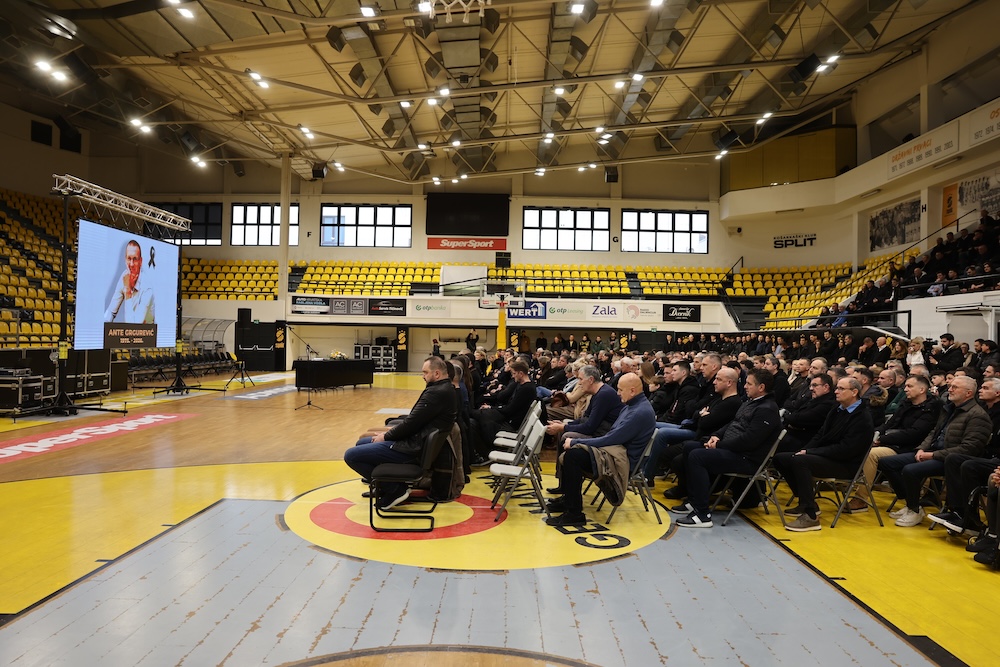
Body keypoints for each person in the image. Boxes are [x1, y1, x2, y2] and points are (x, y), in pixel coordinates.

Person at [670, 369, 782, 528]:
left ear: (761, 387)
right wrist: (716, 436)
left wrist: (719, 445)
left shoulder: (767, 409)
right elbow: (732, 424)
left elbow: (749, 441)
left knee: (697, 456)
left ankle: (702, 515)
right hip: (733, 450)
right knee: (690, 447)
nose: (745, 386)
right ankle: (694, 501)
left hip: (747, 459)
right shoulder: (751, 402)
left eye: (749, 384)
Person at [344, 356, 457, 509]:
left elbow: (410, 424)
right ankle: (385, 485)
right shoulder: (445, 388)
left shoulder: (436, 393)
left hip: (412, 449)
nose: (422, 376)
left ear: (437, 374)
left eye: (425, 372)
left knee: (351, 456)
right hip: (415, 442)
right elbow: (415, 421)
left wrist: (385, 436)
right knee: (361, 443)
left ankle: (394, 489)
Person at [879, 375, 991, 527]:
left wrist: (932, 455)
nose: (950, 389)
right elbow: (933, 432)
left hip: (949, 460)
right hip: (932, 451)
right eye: (950, 386)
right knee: (886, 463)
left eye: (955, 387)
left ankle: (914, 510)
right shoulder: (949, 409)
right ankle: (911, 502)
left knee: (910, 470)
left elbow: (969, 448)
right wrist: (921, 449)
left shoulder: (977, 415)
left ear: (969, 393)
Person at [545, 374, 655, 527]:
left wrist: (576, 441)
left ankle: (574, 513)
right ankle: (568, 501)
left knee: (573, 456)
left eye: (620, 390)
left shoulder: (639, 412)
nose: (618, 393)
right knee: (573, 452)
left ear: (632, 391)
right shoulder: (632, 406)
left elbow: (611, 439)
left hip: (620, 463)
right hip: (613, 452)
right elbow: (610, 436)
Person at [772, 377, 876, 532]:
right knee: (781, 459)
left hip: (846, 464)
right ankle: (808, 503)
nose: (836, 391)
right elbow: (820, 435)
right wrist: (804, 450)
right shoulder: (837, 409)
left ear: (854, 392)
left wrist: (809, 452)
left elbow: (845, 449)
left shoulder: (862, 418)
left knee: (801, 461)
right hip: (828, 456)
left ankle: (811, 517)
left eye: (841, 389)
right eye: (837, 388)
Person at [105, 239, 155, 323]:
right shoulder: (124, 276)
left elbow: (134, 325)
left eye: (135, 259)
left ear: (140, 261)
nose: (131, 264)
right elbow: (111, 311)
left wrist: (128, 291)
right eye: (129, 258)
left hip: (146, 329)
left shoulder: (147, 287)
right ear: (125, 260)